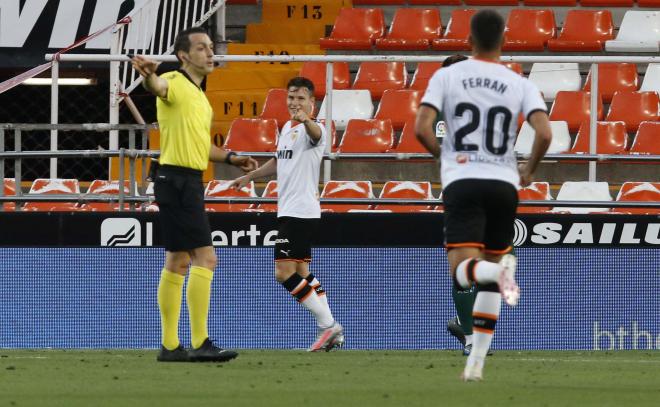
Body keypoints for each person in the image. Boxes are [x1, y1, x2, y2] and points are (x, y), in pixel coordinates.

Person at [415, 10, 552, 381]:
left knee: (463, 273)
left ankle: (497, 270)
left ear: (469, 40)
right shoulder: (516, 81)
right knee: (490, 279)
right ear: (503, 41)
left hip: (464, 179)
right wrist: (530, 170)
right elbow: (544, 133)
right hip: (504, 183)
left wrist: (444, 158)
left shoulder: (447, 75)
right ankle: (475, 363)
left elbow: (421, 127)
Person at [131, 26, 258, 362]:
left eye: (210, 47)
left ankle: (170, 346)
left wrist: (232, 157)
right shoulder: (174, 81)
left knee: (177, 261)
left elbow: (201, 148)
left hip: (179, 180)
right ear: (184, 56)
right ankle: (200, 342)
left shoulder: (200, 98)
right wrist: (149, 76)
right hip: (178, 182)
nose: (210, 52)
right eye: (201, 48)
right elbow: (157, 87)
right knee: (206, 258)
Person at [231, 77, 344, 352]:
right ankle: (334, 335)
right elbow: (279, 159)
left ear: (312, 103)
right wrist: (252, 177)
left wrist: (307, 120)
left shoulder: (313, 129)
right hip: (291, 210)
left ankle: (329, 326)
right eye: (291, 98)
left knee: (283, 273)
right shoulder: (286, 127)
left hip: (300, 212)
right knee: (303, 272)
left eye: (301, 98)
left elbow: (316, 135)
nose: (295, 103)